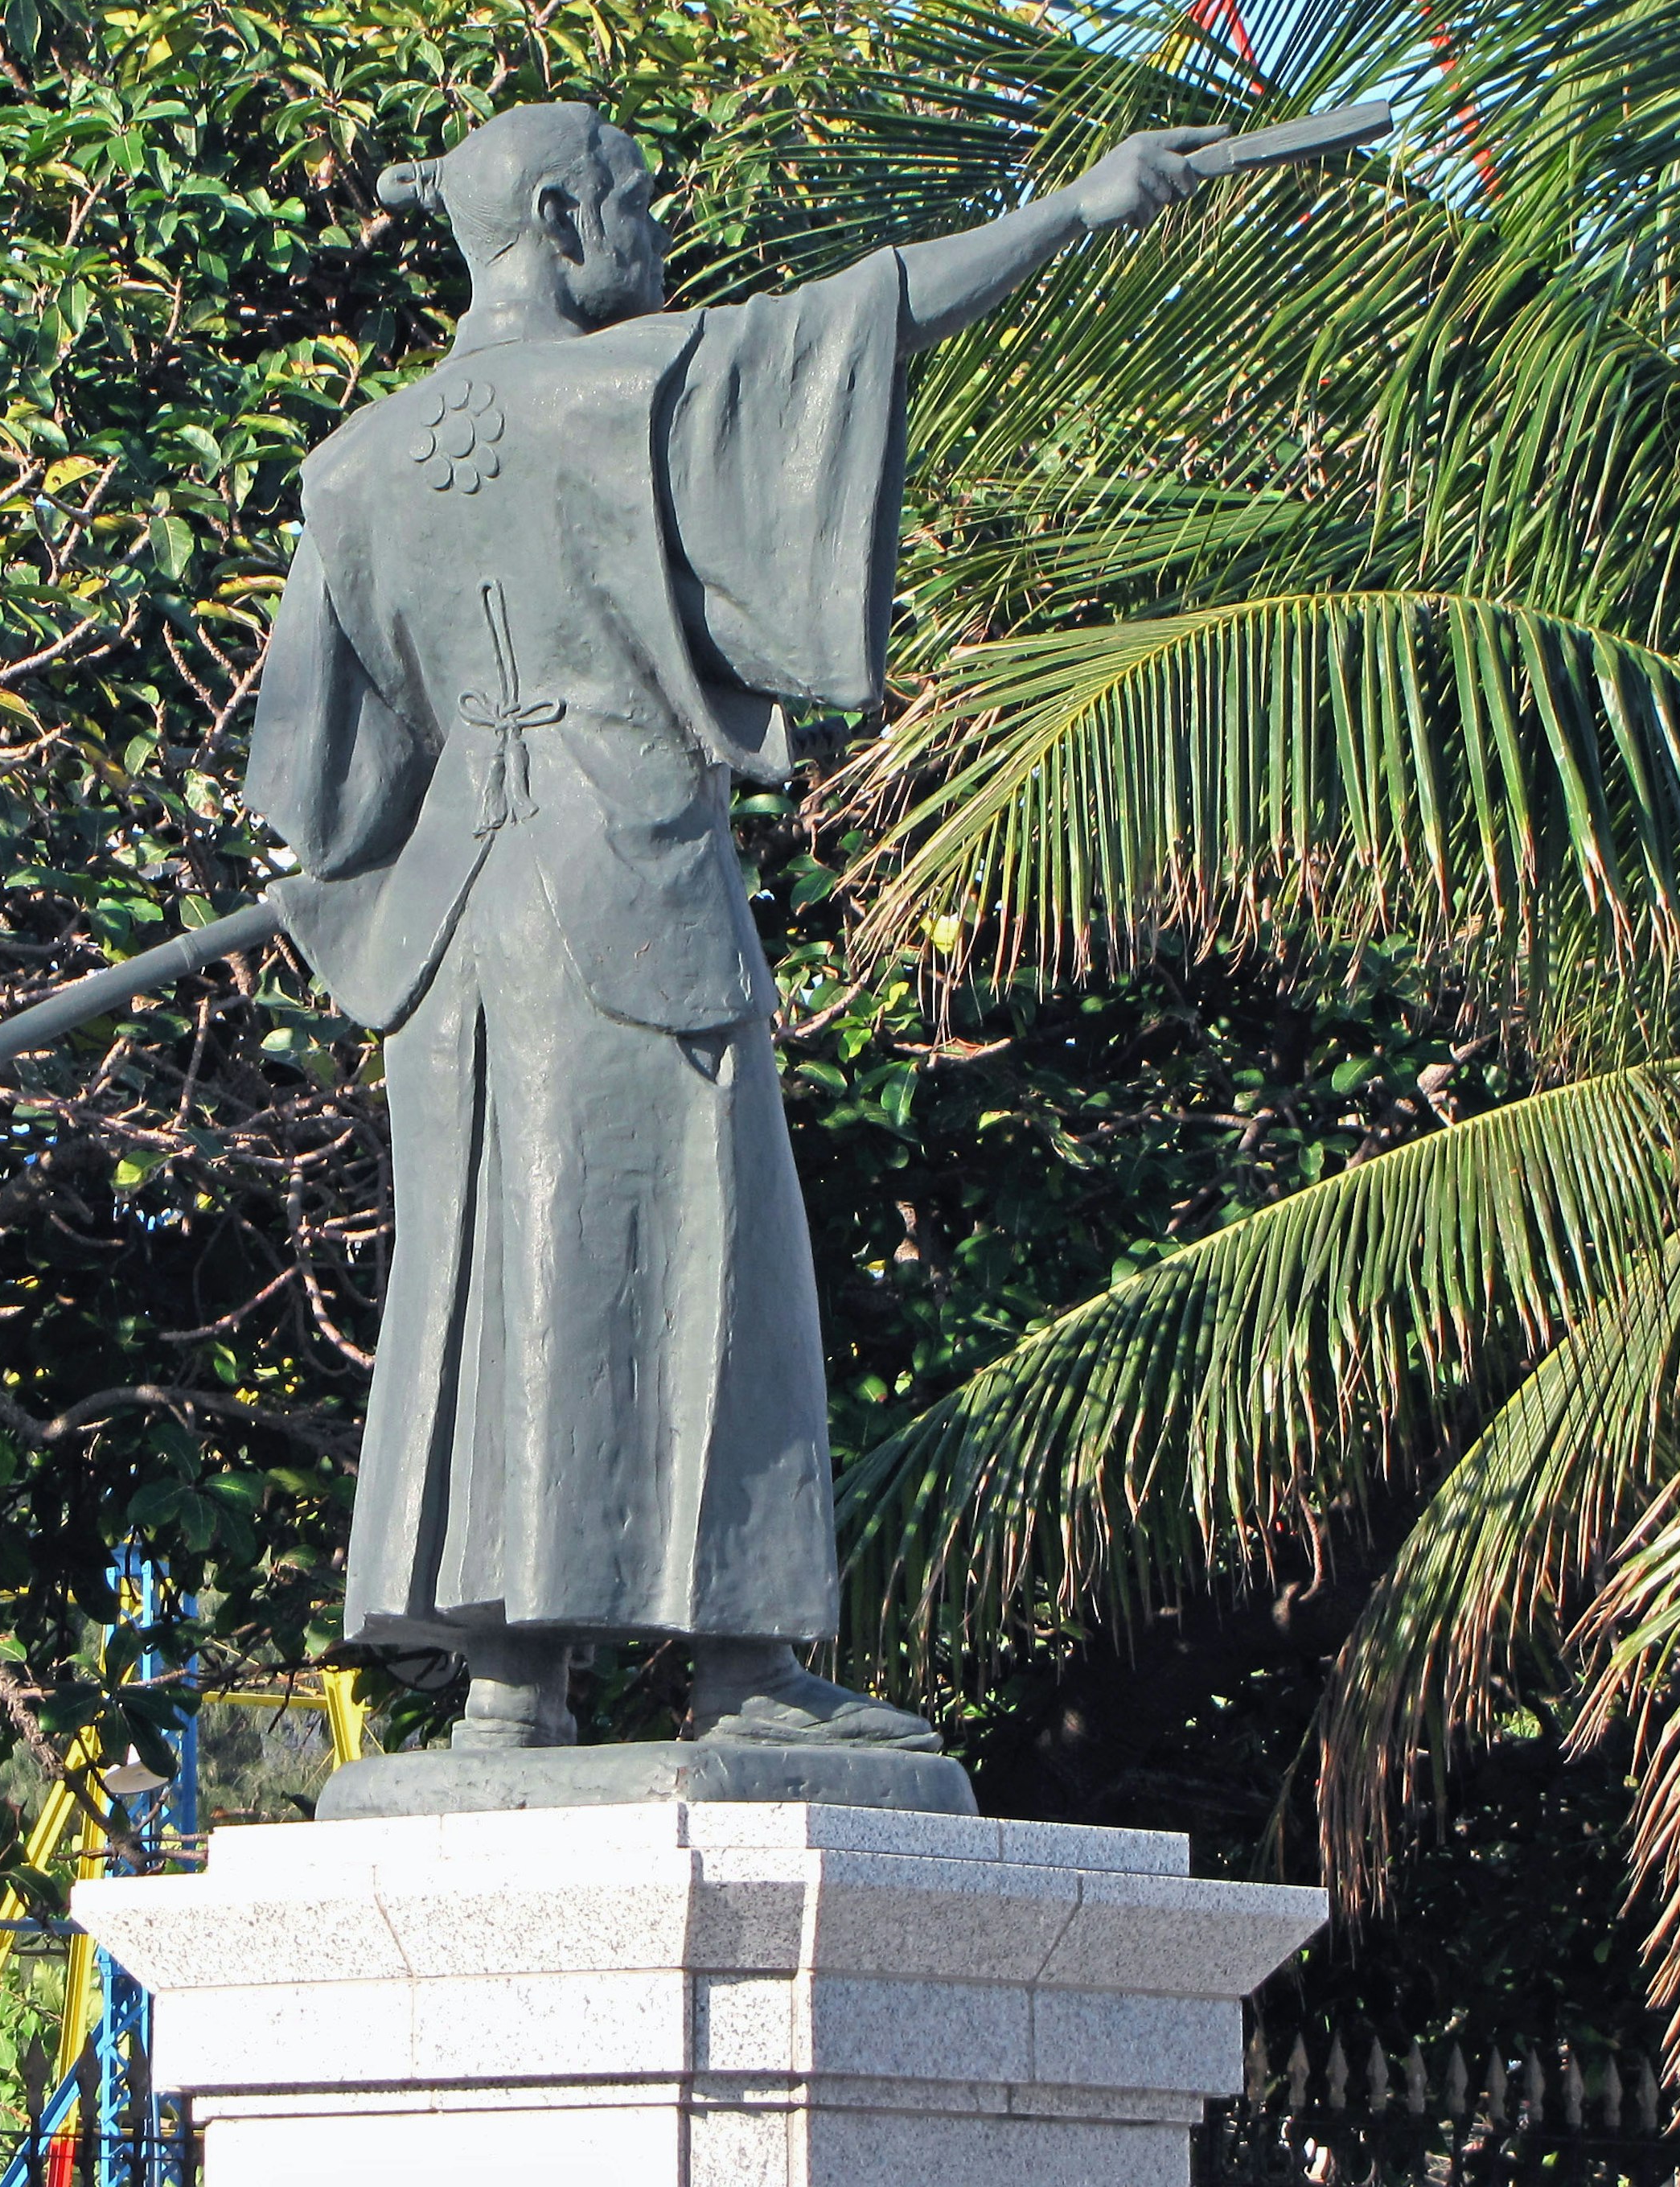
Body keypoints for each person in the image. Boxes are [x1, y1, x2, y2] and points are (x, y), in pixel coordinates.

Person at [244, 101, 1222, 1751]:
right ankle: (746, 1670)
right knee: (708, 1261)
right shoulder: (639, 382)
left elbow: (317, 792)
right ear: (559, 220)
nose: (656, 225)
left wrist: (345, 867)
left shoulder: (353, 473)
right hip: (621, 890)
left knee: (491, 1272)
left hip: (460, 942)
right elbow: (874, 312)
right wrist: (1075, 208)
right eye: (631, 199)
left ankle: (506, 1689)